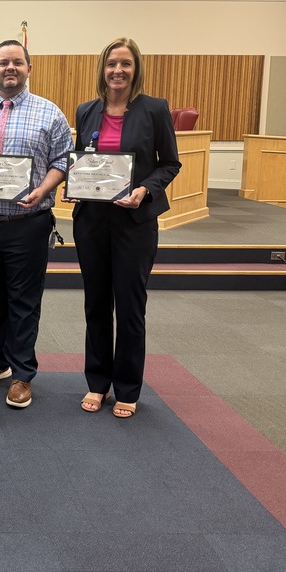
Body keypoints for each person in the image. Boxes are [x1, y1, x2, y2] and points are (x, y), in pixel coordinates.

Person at [0, 39, 73, 409]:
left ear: (28, 69)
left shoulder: (50, 113)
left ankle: (23, 373)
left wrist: (43, 189)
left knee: (24, 300)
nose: (10, 68)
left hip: (28, 221)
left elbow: (63, 159)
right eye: (3, 62)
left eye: (18, 62)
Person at [71, 36, 180, 418]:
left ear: (136, 70)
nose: (118, 70)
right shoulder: (86, 111)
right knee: (96, 305)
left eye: (125, 64)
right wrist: (76, 183)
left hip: (134, 222)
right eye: (111, 64)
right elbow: (83, 161)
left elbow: (170, 163)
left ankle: (128, 387)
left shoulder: (154, 109)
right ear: (102, 69)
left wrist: (144, 191)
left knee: (130, 307)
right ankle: (97, 383)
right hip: (92, 223)